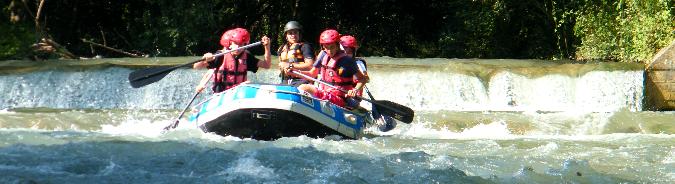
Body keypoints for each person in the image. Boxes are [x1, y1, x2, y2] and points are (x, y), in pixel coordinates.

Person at [289, 29, 368, 108]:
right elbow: (312, 74)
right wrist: (295, 71)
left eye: (332, 47)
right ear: (323, 46)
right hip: (324, 92)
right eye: (326, 47)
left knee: (304, 87)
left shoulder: (347, 60)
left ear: (337, 45)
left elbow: (363, 79)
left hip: (340, 98)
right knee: (301, 87)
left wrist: (355, 90)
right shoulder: (323, 55)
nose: (329, 51)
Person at [194, 28, 271, 93]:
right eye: (236, 43)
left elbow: (266, 65)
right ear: (230, 43)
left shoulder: (247, 56)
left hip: (238, 93)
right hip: (222, 94)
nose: (238, 47)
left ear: (245, 45)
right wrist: (205, 58)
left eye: (241, 44)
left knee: (248, 83)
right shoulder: (220, 55)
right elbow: (196, 66)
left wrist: (267, 48)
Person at [277, 21, 315, 86]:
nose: (293, 35)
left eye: (295, 32)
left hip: (301, 80)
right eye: (290, 33)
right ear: (286, 35)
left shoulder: (305, 46)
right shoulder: (281, 49)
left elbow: (310, 66)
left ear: (299, 34)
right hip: (285, 81)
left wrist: (290, 65)